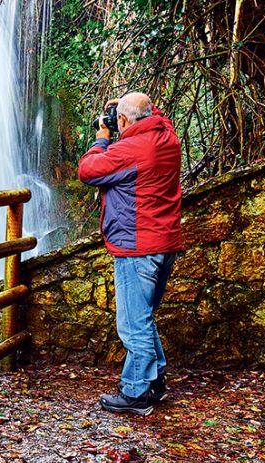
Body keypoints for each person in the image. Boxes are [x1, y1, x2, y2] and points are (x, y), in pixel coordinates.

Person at [77, 92, 183, 416]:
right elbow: (152, 115)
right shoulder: (167, 137)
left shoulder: (131, 150)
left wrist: (101, 139)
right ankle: (156, 381)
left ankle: (136, 392)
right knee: (144, 318)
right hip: (164, 244)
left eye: (118, 120)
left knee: (132, 326)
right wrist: (121, 109)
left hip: (137, 247)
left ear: (123, 122)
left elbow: (88, 170)